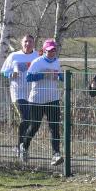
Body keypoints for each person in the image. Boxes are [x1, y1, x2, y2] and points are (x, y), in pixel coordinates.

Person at [24, 38, 64, 166]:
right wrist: (43, 75)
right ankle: (24, 147)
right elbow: (28, 77)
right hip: (37, 100)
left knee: (54, 127)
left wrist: (59, 76)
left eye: (53, 50)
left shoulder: (57, 62)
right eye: (49, 50)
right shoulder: (37, 62)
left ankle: (56, 154)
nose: (51, 52)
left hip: (53, 99)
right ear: (44, 50)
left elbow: (62, 77)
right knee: (34, 126)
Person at [0, 34, 37, 161]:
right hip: (17, 93)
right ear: (22, 43)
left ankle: (22, 146)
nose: (28, 44)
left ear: (33, 43)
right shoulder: (14, 56)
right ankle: (22, 147)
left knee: (31, 122)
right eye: (26, 41)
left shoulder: (37, 56)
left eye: (30, 41)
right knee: (25, 118)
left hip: (33, 94)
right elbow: (3, 71)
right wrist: (11, 74)